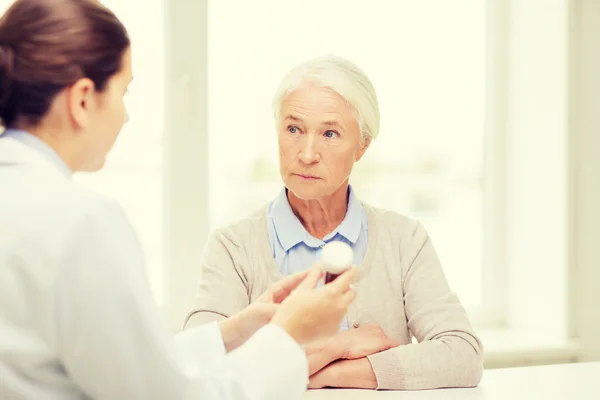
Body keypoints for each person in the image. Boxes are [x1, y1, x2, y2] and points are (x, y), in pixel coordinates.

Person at [0, 1, 358, 399]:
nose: (125, 116)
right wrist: (288, 334)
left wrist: (234, 332)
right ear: (83, 99)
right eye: (124, 91)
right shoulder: (82, 222)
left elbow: (125, 365)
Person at [185, 55, 484, 390]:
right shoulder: (233, 246)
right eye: (294, 129)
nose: (308, 153)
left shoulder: (404, 240)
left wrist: (324, 372)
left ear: (362, 146)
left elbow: (463, 354)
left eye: (330, 133)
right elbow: (195, 366)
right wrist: (340, 346)